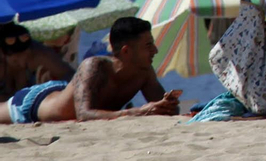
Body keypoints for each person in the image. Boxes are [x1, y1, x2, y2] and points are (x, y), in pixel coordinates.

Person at [0, 17, 180, 124]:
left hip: (68, 89)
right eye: (148, 45)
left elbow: (166, 110)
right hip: (32, 103)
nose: (155, 51)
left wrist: (167, 104)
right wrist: (137, 112)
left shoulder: (143, 71)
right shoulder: (94, 66)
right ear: (126, 51)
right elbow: (84, 115)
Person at [1, 22, 73, 103]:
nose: (21, 63)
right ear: (2, 54)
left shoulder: (40, 54)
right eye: (15, 61)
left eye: (26, 57)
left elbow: (70, 76)